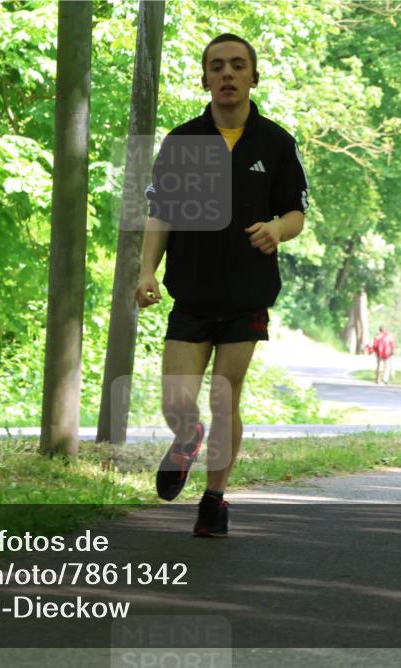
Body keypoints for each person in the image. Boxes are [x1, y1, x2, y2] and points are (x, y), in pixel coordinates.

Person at [136, 33, 311, 534]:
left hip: (246, 295)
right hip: (190, 292)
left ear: (253, 76)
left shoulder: (276, 143)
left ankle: (214, 499)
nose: (227, 74)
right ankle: (186, 439)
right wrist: (147, 271)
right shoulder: (183, 141)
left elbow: (296, 213)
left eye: (238, 66)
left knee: (224, 397)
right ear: (206, 77)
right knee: (177, 400)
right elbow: (160, 213)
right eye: (217, 66)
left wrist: (278, 229)